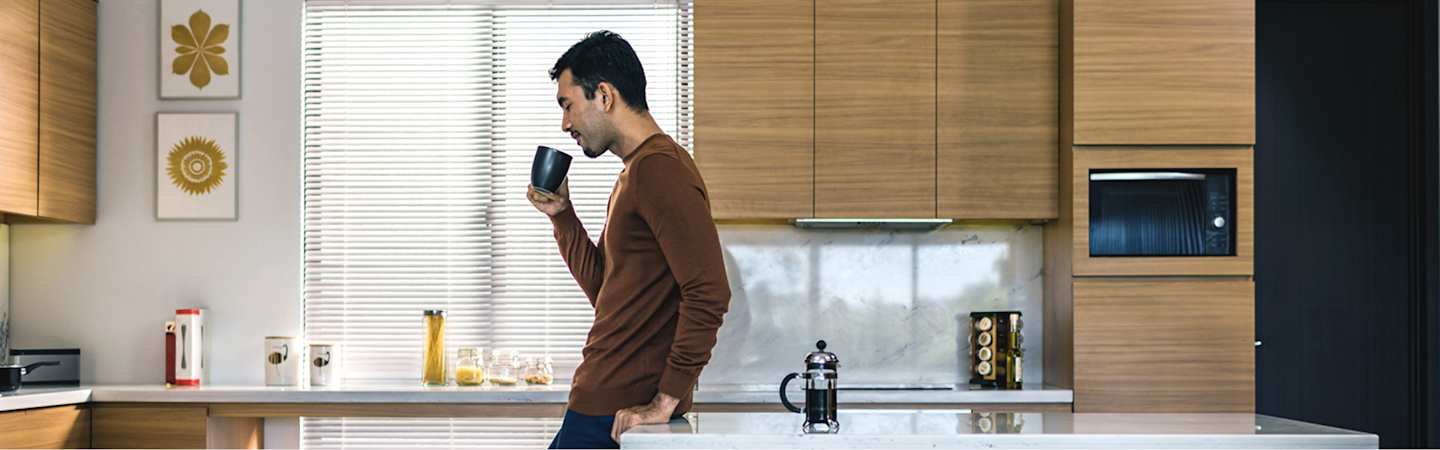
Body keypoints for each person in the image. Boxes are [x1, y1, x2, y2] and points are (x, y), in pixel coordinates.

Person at [527, 30, 731, 450]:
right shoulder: (636, 172)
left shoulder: (661, 170)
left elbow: (709, 291)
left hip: (617, 411)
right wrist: (563, 216)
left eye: (568, 105)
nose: (565, 123)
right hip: (598, 403)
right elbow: (608, 291)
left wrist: (665, 400)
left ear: (604, 95)